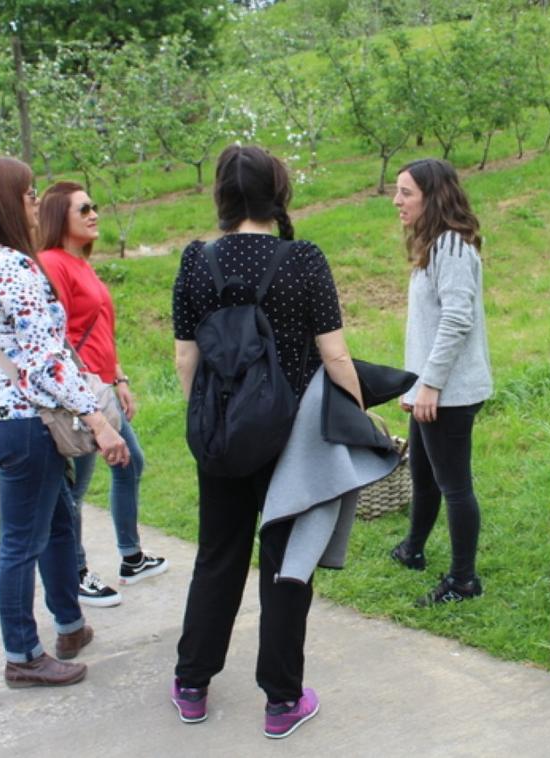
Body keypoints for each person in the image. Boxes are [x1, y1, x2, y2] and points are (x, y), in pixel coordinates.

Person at [170, 145, 362, 736]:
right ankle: (282, 701)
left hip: (221, 435)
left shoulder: (197, 261)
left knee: (218, 555)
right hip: (290, 438)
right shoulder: (303, 258)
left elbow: (186, 358)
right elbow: (334, 355)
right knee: (285, 564)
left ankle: (192, 684)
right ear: (278, 191)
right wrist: (358, 419)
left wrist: (208, 421)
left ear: (222, 195)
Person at [0, 155, 129, 687]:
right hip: (23, 424)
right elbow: (46, 361)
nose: (33, 203)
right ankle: (22, 655)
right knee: (23, 541)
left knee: (58, 519)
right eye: (26, 194)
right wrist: (98, 419)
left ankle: (70, 624)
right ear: (2, 201)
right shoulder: (14, 268)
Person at [36, 182, 168, 608]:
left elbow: (98, 330)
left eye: (94, 206)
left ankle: (131, 557)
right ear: (60, 218)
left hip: (101, 388)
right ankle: (74, 574)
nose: (94, 214)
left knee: (130, 463)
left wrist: (120, 377)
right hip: (79, 396)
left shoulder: (81, 263)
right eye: (83, 209)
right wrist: (87, 393)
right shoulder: (52, 263)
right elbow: (55, 338)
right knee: (76, 488)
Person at [389, 158, 492, 606]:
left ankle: (464, 581)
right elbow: (431, 326)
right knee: (424, 474)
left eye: (406, 192)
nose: (397, 200)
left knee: (454, 484)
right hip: (431, 388)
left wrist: (429, 385)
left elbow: (456, 319)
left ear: (433, 196)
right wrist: (415, 386)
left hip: (448, 392)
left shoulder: (450, 246)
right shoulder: (436, 245)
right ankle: (412, 549)